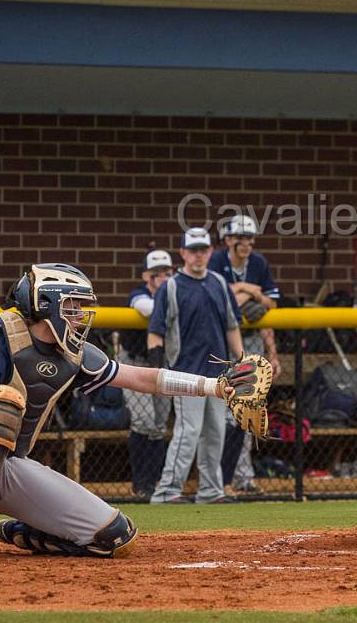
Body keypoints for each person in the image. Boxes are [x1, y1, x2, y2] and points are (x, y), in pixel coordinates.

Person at [0, 263, 261, 559]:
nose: (80, 315)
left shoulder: (73, 354)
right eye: (72, 306)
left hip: (8, 467)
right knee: (0, 406)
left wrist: (214, 386)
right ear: (46, 304)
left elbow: (142, 378)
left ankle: (21, 531)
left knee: (114, 536)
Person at [151, 227, 245, 504]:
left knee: (215, 431)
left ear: (210, 251)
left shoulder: (218, 282)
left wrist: (241, 366)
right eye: (193, 251)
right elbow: (156, 331)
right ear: (183, 253)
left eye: (203, 250)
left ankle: (211, 491)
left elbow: (232, 327)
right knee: (188, 431)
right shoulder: (171, 286)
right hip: (184, 372)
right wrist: (159, 366)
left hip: (219, 374)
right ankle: (167, 490)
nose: (198, 255)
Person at [210, 214, 280, 496]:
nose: (246, 244)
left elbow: (271, 305)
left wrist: (273, 354)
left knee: (249, 409)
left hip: (251, 341)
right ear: (228, 240)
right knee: (224, 416)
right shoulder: (216, 261)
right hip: (221, 344)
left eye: (250, 238)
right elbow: (218, 299)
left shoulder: (259, 263)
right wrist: (246, 289)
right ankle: (218, 478)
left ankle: (242, 477)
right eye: (240, 238)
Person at [118, 249, 175, 498]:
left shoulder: (174, 294)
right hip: (134, 364)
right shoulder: (139, 295)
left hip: (161, 365)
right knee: (144, 421)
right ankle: (140, 483)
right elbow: (148, 309)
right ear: (146, 276)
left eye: (167, 272)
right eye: (156, 274)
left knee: (160, 425)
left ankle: (154, 482)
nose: (162, 277)